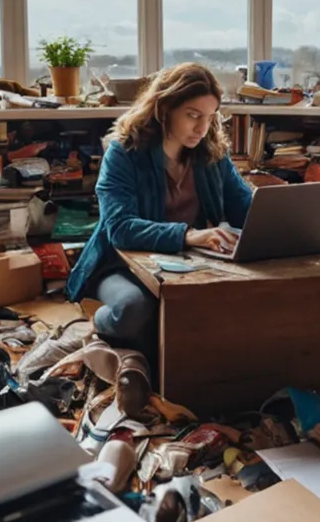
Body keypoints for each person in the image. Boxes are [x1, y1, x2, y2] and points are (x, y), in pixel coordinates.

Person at [66, 63, 253, 366]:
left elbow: (242, 207)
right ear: (165, 108)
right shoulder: (124, 153)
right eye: (193, 115)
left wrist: (281, 215)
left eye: (210, 117)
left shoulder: (212, 153)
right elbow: (120, 228)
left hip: (184, 265)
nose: (202, 128)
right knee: (135, 309)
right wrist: (188, 235)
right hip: (119, 265)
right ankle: (95, 324)